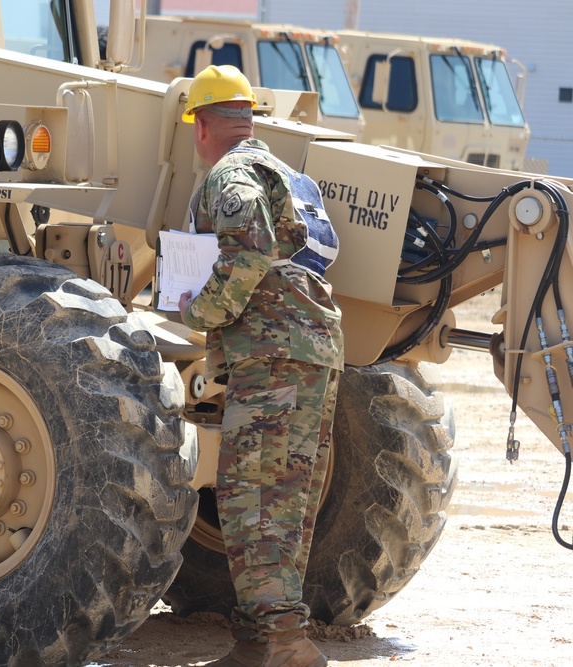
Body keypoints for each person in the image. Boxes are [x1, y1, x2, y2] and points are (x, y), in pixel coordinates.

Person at [177, 65, 344, 667]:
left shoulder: (232, 173)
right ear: (246, 117)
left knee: (255, 497)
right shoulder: (284, 171)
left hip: (273, 354)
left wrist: (205, 307)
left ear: (200, 125)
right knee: (284, 497)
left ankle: (281, 643)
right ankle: (262, 641)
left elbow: (247, 250)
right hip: (305, 347)